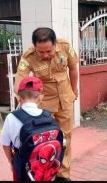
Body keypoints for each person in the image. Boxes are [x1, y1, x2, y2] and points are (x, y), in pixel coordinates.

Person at [14, 27, 78, 181]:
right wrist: (23, 100)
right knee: (44, 139)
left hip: (64, 98)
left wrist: (74, 90)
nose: (45, 55)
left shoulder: (65, 46)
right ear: (34, 46)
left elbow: (73, 68)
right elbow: (19, 80)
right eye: (40, 52)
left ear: (55, 44)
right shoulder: (28, 56)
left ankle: (63, 174)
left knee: (66, 137)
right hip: (44, 102)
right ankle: (44, 173)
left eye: (48, 51)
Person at [0, 76, 44, 180]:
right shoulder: (48, 116)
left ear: (18, 97)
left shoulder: (11, 117)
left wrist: (12, 162)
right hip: (44, 164)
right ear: (41, 97)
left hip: (23, 165)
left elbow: (5, 144)